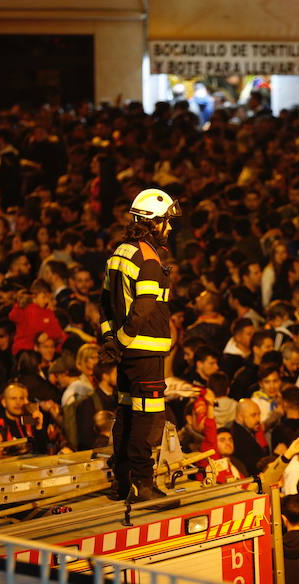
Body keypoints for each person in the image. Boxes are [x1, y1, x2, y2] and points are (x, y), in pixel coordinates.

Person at [98, 188, 179, 503]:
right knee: (147, 417)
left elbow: (104, 303)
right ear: (153, 222)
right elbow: (143, 309)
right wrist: (119, 342)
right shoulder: (148, 256)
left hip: (128, 353)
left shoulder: (119, 252)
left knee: (127, 413)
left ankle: (121, 482)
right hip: (144, 352)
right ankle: (144, 484)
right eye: (166, 222)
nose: (169, 228)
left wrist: (110, 339)